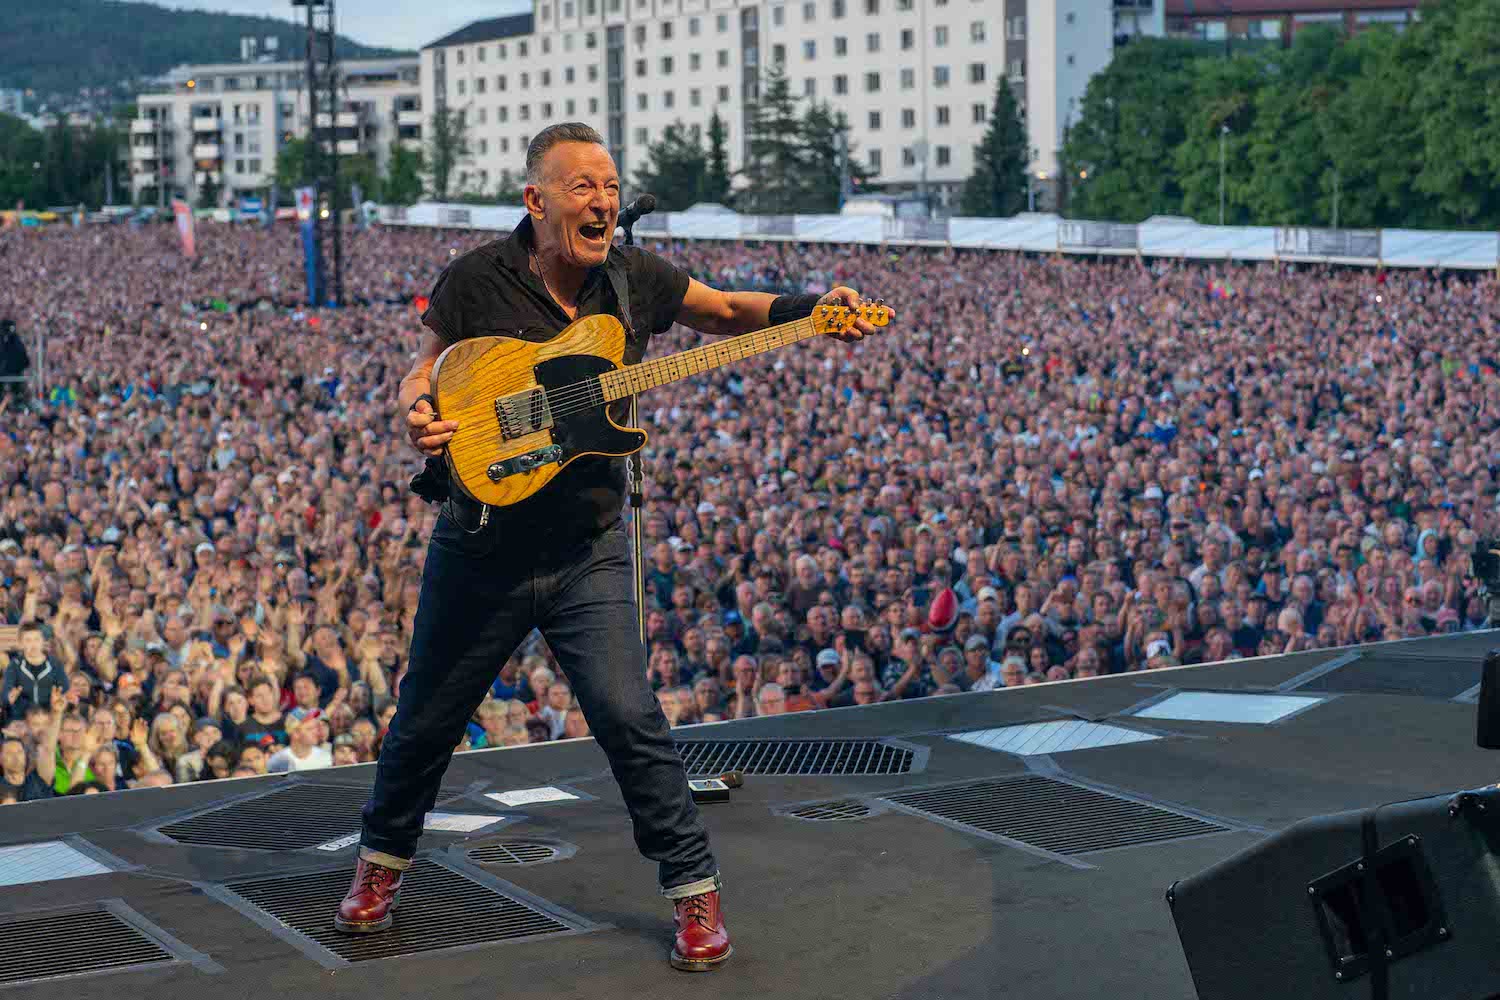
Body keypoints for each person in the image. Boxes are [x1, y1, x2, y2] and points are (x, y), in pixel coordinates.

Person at [340, 122, 891, 976]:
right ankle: (381, 868)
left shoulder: (633, 280)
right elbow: (425, 368)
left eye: (609, 185)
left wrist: (808, 312)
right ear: (537, 201)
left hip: (586, 548)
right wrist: (415, 410)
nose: (601, 200)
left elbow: (724, 311)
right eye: (582, 186)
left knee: (631, 718)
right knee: (424, 722)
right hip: (480, 544)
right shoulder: (476, 280)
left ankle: (694, 893)